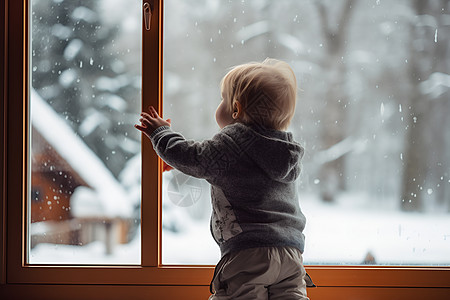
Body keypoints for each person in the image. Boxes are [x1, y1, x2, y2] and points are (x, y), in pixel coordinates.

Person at [135, 58, 313, 299]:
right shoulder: (282, 150)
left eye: (223, 99)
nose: (220, 104)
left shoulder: (233, 141)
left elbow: (193, 157)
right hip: (291, 252)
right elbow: (238, 174)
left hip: (249, 251)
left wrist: (160, 133)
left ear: (236, 109)